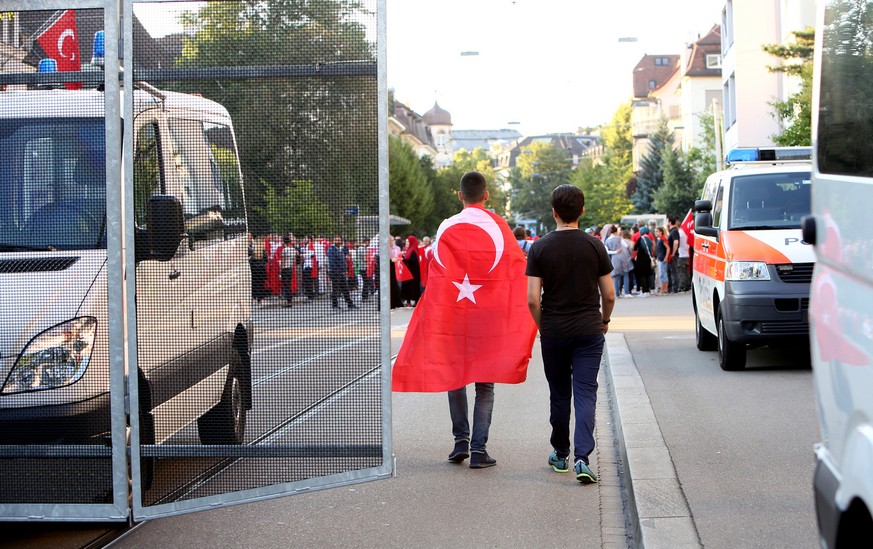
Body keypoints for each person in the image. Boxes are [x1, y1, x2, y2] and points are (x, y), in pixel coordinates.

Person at [393, 171, 537, 469]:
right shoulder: (499, 227)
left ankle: (460, 441)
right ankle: (479, 450)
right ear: (487, 195)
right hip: (489, 319)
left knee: (454, 376)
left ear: (460, 195)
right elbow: (515, 270)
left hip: (454, 317)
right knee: (485, 384)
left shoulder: (447, 225)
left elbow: (435, 267)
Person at [526, 184, 616, 484]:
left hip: (554, 330)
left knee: (560, 394)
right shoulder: (595, 246)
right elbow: (609, 294)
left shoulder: (539, 248)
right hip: (589, 330)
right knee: (586, 392)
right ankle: (583, 458)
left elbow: (532, 299)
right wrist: (604, 321)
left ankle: (560, 453)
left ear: (553, 212)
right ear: (582, 210)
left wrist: (543, 325)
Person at [327, 236, 357, 310]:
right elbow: (332, 262)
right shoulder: (331, 249)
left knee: (345, 289)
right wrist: (337, 270)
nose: (339, 242)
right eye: (337, 240)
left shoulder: (339, 249)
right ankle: (335, 305)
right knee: (335, 289)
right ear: (333, 241)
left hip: (341, 272)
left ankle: (350, 304)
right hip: (335, 272)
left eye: (339, 240)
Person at [603, 225, 629, 297]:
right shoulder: (619, 238)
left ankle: (617, 293)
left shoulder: (607, 240)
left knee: (615, 275)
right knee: (625, 274)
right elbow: (626, 245)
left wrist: (615, 252)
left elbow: (607, 251)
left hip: (614, 258)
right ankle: (626, 292)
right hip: (622, 256)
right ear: (616, 231)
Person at [400, 235, 422, 307]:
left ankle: (414, 301)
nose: (407, 243)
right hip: (409, 272)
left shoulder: (413, 251)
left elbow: (412, 260)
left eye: (408, 241)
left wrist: (403, 259)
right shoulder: (410, 250)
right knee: (409, 287)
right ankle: (409, 300)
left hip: (413, 273)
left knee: (413, 287)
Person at [280, 234, 299, 307]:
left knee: (286, 285)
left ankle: (288, 301)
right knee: (289, 284)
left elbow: (283, 261)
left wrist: (281, 270)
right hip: (290, 268)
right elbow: (295, 259)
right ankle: (289, 300)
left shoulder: (284, 250)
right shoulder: (293, 249)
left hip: (285, 268)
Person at [655, 226, 669, 294]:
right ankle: (663, 288)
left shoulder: (663, 239)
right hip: (660, 258)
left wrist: (666, 257)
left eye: (657, 231)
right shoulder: (660, 239)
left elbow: (668, 248)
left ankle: (664, 289)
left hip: (663, 258)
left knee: (663, 274)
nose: (656, 233)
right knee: (661, 274)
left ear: (661, 232)